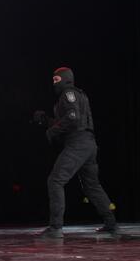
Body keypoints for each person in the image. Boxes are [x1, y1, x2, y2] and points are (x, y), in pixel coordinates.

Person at [33, 67, 117, 239]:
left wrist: (52, 131)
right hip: (89, 144)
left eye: (57, 80)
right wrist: (47, 121)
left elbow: (72, 118)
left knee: (55, 181)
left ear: (66, 79)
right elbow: (71, 120)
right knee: (92, 186)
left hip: (78, 143)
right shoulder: (80, 94)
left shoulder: (68, 94)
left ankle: (56, 228)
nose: (54, 83)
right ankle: (111, 223)